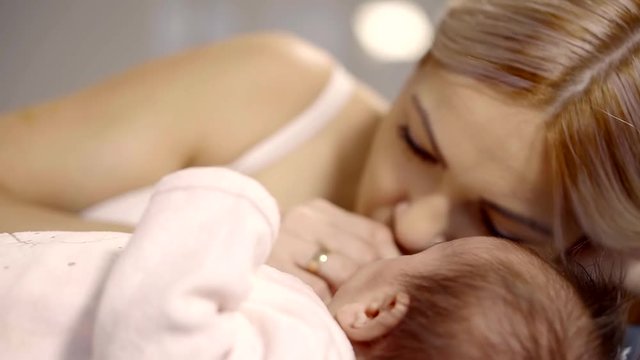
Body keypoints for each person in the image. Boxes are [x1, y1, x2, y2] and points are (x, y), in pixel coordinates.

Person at [0, 0, 638, 301]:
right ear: (414, 70)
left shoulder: (565, 316)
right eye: (416, 143)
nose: (414, 224)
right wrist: (214, 248)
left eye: (501, 224)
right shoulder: (274, 91)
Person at [0, 168, 623, 359]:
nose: (410, 233)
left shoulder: (308, 341)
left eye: (433, 254)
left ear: (376, 309)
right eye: (418, 143)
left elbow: (157, 333)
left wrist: (233, 206)